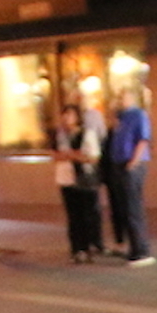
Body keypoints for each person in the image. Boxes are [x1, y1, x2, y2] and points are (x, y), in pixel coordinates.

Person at [105, 87, 154, 264]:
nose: (120, 100)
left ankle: (142, 250)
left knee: (133, 207)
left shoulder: (138, 115)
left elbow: (143, 139)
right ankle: (132, 246)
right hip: (118, 164)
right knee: (123, 207)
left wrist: (134, 161)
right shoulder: (120, 117)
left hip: (131, 164)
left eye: (122, 96)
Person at [54, 102, 105, 261]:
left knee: (87, 214)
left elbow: (93, 157)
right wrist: (75, 154)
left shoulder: (87, 134)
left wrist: (71, 155)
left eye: (70, 115)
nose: (67, 118)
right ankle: (77, 249)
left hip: (84, 179)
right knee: (73, 215)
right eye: (65, 114)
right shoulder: (59, 135)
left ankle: (90, 246)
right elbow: (55, 155)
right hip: (66, 179)